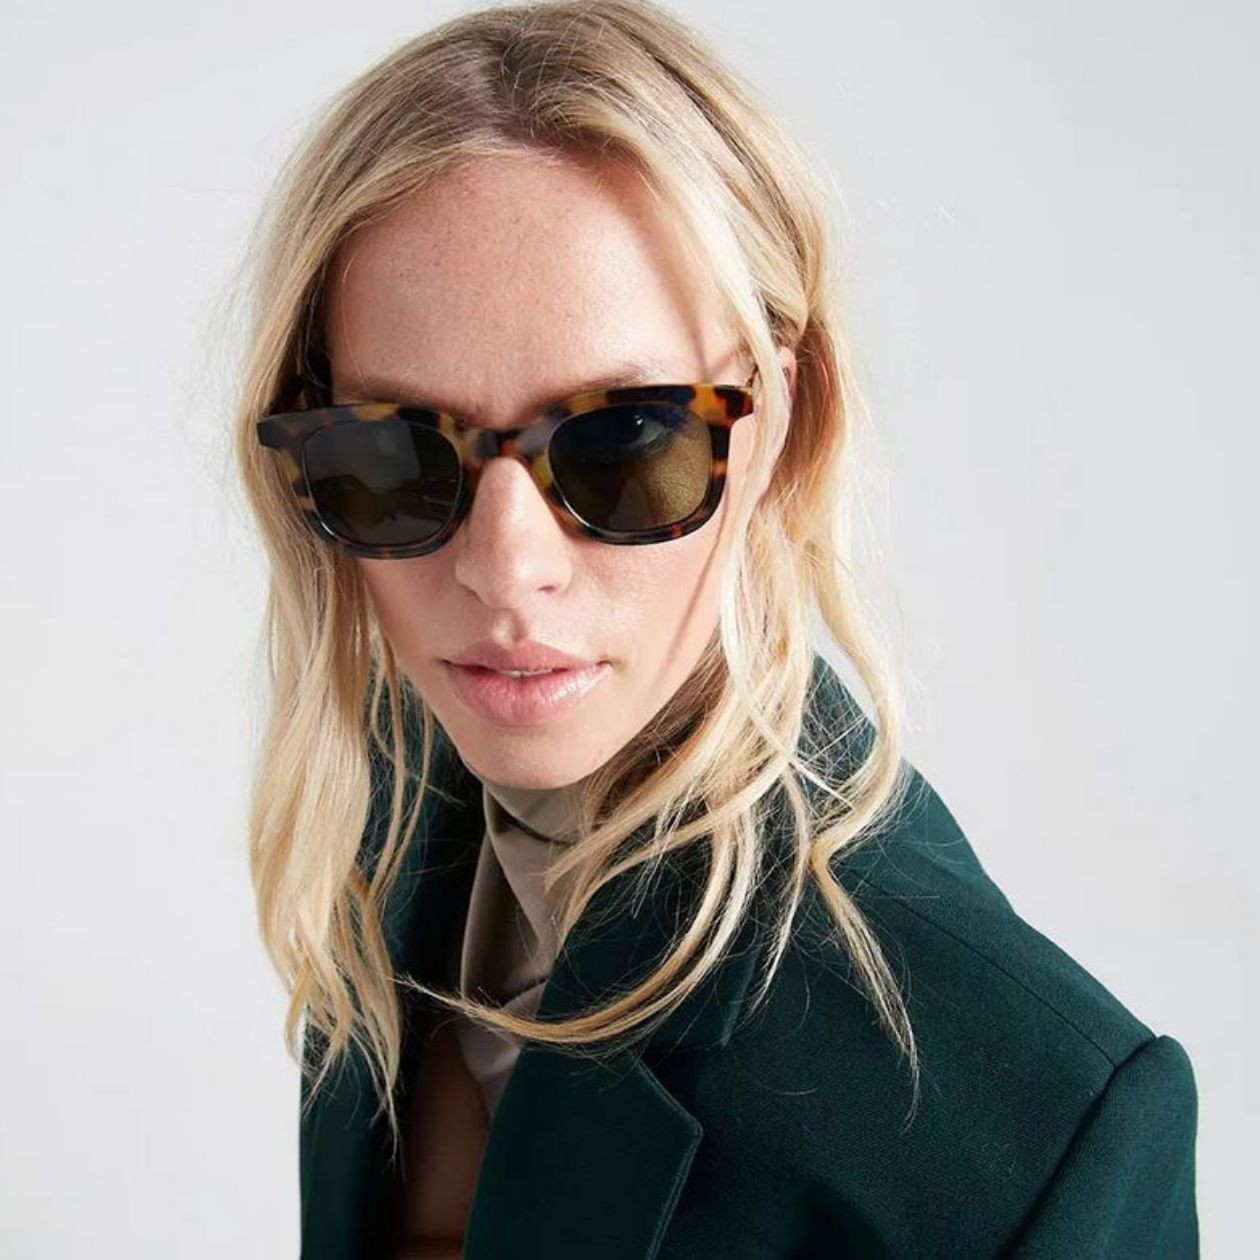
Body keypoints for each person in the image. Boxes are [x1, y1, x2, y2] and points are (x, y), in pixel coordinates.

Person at [234, 2, 1199, 1256]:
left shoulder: (1032, 1124)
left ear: (778, 423)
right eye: (395, 452)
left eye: (624, 439)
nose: (505, 571)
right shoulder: (397, 829)